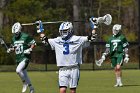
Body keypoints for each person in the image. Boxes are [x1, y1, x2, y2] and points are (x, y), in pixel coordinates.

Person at [35, 20, 97, 93]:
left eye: (65, 31)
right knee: (62, 90)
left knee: (72, 91)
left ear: (70, 30)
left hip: (74, 68)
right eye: (62, 31)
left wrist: (94, 27)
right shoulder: (57, 40)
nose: (63, 33)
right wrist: (40, 30)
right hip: (62, 69)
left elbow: (92, 38)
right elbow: (45, 40)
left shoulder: (77, 39)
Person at [7, 22, 36, 93]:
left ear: (20, 30)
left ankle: (24, 83)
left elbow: (34, 43)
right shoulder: (13, 38)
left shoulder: (25, 36)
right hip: (18, 58)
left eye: (16, 33)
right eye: (14, 33)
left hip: (25, 57)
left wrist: (30, 49)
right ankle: (32, 88)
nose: (15, 34)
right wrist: (10, 49)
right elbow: (14, 48)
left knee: (18, 70)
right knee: (25, 74)